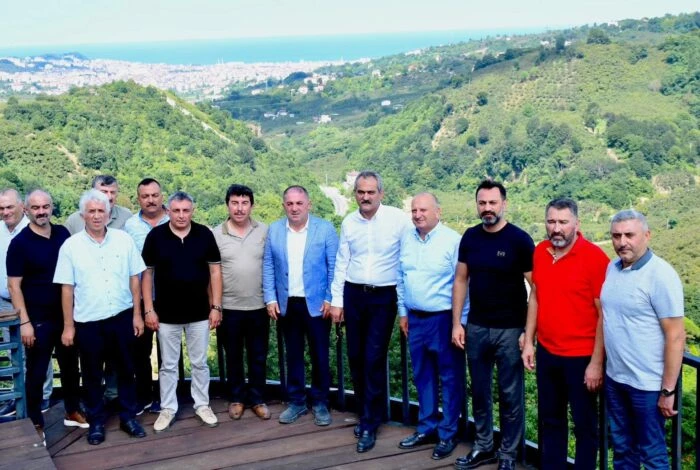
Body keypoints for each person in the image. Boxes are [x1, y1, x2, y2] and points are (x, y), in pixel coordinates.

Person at [452, 180, 534, 470]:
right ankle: (484, 446)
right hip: (476, 327)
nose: (487, 208)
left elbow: (537, 288)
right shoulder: (470, 237)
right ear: (477, 205)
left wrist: (529, 333)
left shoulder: (520, 240)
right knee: (479, 391)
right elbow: (461, 280)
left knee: (510, 395)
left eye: (493, 203)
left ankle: (508, 454)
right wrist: (457, 323)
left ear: (504, 204)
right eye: (482, 203)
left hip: (511, 330)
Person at [521, 198, 609, 469]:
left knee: (585, 426)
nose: (556, 228)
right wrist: (529, 340)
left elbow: (604, 315)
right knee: (551, 421)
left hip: (581, 357)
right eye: (551, 221)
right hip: (548, 352)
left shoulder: (595, 258)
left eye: (563, 222)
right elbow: (536, 297)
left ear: (577, 224)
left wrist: (596, 363)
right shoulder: (541, 251)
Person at [54, 189, 146, 445]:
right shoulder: (71, 246)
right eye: (91, 211)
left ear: (108, 213)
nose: (96, 216)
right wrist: (68, 326)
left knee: (126, 369)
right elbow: (67, 288)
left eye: (101, 211)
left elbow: (135, 278)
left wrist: (137, 315)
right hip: (88, 322)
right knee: (92, 374)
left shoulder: (123, 240)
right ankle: (96, 422)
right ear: (83, 214)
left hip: (121, 316)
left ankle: (128, 418)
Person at [329, 170, 412, 453]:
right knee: (355, 356)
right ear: (355, 194)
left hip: (383, 296)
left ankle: (369, 422)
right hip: (353, 294)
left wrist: (403, 307)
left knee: (373, 357)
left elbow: (406, 261)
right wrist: (337, 301)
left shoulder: (398, 220)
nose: (365, 197)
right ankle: (367, 412)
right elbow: (342, 261)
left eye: (370, 192)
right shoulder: (349, 222)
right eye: (361, 192)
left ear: (381, 193)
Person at [601, 210, 685, 469]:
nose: (622, 242)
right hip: (616, 379)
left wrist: (668, 390)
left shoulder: (661, 275)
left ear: (647, 235)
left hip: (647, 385)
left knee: (652, 454)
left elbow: (676, 335)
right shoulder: (612, 268)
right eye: (616, 236)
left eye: (630, 235)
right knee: (623, 449)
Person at [7, 190, 87, 442]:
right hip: (37, 319)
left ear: (52, 207)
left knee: (71, 366)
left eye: (45, 206)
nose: (41, 212)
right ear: (26, 210)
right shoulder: (20, 243)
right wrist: (24, 322)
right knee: (37, 372)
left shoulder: (62, 234)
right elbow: (14, 286)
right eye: (35, 207)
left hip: (66, 316)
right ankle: (36, 422)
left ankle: (72, 411)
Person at [142, 191, 222, 432]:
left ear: (192, 211)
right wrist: (148, 309)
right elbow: (147, 274)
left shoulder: (204, 234)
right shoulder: (156, 236)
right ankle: (168, 408)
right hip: (166, 314)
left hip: (199, 312)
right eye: (176, 210)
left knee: (199, 363)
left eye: (186, 210)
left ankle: (202, 404)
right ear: (168, 211)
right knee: (167, 365)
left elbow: (215, 272)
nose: (181, 215)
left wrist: (216, 306)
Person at [396, 193, 466, 461]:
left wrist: (460, 323)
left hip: (444, 318)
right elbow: (401, 278)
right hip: (415, 318)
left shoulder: (452, 241)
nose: (418, 215)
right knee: (422, 375)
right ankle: (426, 427)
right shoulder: (407, 239)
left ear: (438, 211)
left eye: (423, 210)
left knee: (449, 377)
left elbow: (464, 284)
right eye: (414, 210)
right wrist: (403, 313)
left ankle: (448, 433)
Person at [263, 185, 338, 426]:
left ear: (308, 205)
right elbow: (268, 265)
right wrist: (270, 298)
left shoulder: (325, 229)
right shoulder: (275, 230)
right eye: (290, 203)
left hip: (317, 304)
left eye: (299, 203)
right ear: (284, 205)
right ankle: (296, 401)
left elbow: (334, 266)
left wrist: (330, 298)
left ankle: (320, 401)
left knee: (320, 355)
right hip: (287, 303)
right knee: (293, 354)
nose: (294, 208)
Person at [213, 184, 271, 421]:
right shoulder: (216, 234)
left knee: (258, 356)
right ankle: (236, 398)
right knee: (233, 356)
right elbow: (212, 272)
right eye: (234, 203)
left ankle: (257, 399)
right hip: (229, 307)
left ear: (252, 205)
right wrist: (215, 306)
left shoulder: (264, 231)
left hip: (259, 305)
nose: (239, 208)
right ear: (227, 205)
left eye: (244, 203)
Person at [0, 188, 52, 418]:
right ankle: (18, 397)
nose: (5, 212)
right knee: (14, 353)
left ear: (22, 207)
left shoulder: (32, 230)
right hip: (4, 304)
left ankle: (42, 396)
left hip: (31, 303)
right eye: (1, 208)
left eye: (9, 207)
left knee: (38, 350)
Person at [123, 178, 170, 414]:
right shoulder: (130, 227)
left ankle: (168, 396)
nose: (150, 200)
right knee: (140, 350)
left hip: (171, 296)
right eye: (145, 196)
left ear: (162, 196)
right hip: (142, 297)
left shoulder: (174, 219)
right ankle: (145, 396)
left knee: (169, 350)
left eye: (154, 195)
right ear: (138, 199)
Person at [64, 175, 132, 234]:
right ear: (93, 192)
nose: (109, 197)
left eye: (112, 192)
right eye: (104, 192)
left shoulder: (126, 216)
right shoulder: (74, 221)